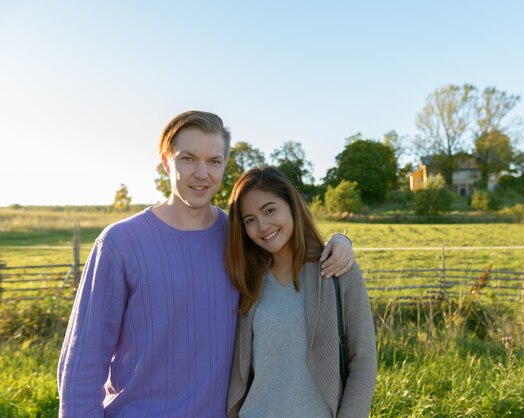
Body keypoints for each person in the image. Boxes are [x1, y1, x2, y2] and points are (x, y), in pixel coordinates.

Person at [57, 111, 355, 417]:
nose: (203, 174)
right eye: (188, 159)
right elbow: (83, 361)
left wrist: (340, 242)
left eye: (214, 161)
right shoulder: (120, 243)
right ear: (166, 161)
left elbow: (291, 250)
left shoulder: (242, 238)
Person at [226, 166, 377, 418]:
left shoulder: (338, 270)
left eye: (270, 210)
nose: (262, 226)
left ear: (292, 206)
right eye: (250, 220)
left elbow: (363, 361)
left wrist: (342, 238)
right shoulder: (247, 280)